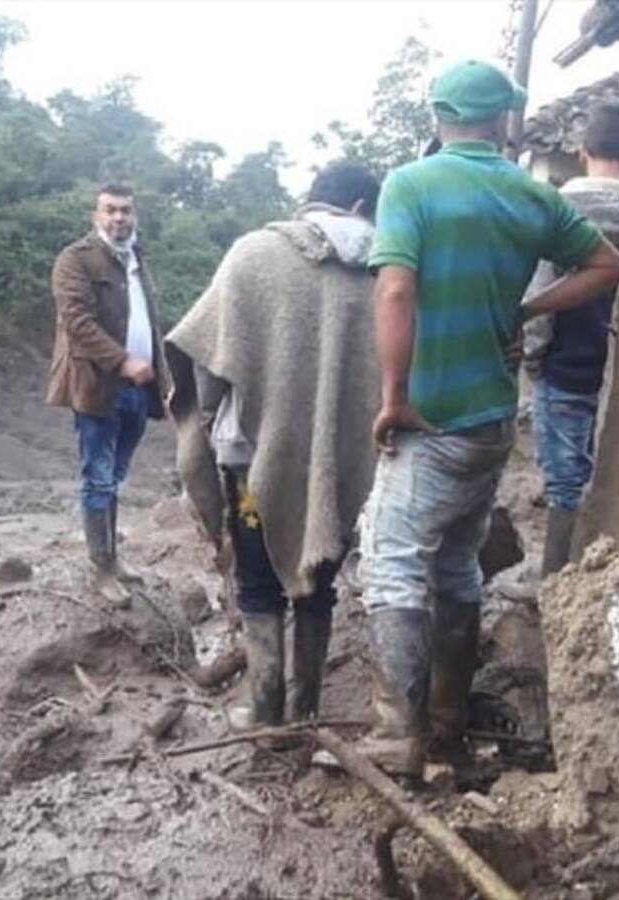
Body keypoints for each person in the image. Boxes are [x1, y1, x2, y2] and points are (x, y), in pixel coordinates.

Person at [358, 60, 619, 776]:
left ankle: (396, 733)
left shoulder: (412, 186)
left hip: (432, 414)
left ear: (438, 115)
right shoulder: (528, 193)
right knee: (454, 564)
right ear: (502, 119)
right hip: (491, 417)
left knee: (390, 564)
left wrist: (392, 397)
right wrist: (529, 307)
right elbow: (607, 265)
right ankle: (446, 718)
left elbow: (394, 292)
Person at [166, 161, 383, 732]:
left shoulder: (253, 254)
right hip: (343, 460)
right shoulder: (388, 267)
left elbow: (206, 354)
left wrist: (207, 420)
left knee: (260, 581)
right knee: (319, 581)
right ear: (362, 209)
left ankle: (265, 709)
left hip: (253, 454)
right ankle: (306, 707)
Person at [524, 104, 619, 575]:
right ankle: (614, 572)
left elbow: (540, 298)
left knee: (565, 485)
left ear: (582, 154)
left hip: (566, 370)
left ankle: (556, 585)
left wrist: (535, 362)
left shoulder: (559, 213)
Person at [44, 183, 166, 588]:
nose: (119, 218)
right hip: (97, 385)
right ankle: (101, 568)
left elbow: (150, 322)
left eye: (126, 210)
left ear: (135, 215)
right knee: (97, 476)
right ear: (95, 216)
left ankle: (112, 558)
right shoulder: (74, 260)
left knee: (114, 476)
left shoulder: (138, 260)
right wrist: (123, 360)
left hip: (138, 387)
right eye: (110, 210)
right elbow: (77, 323)